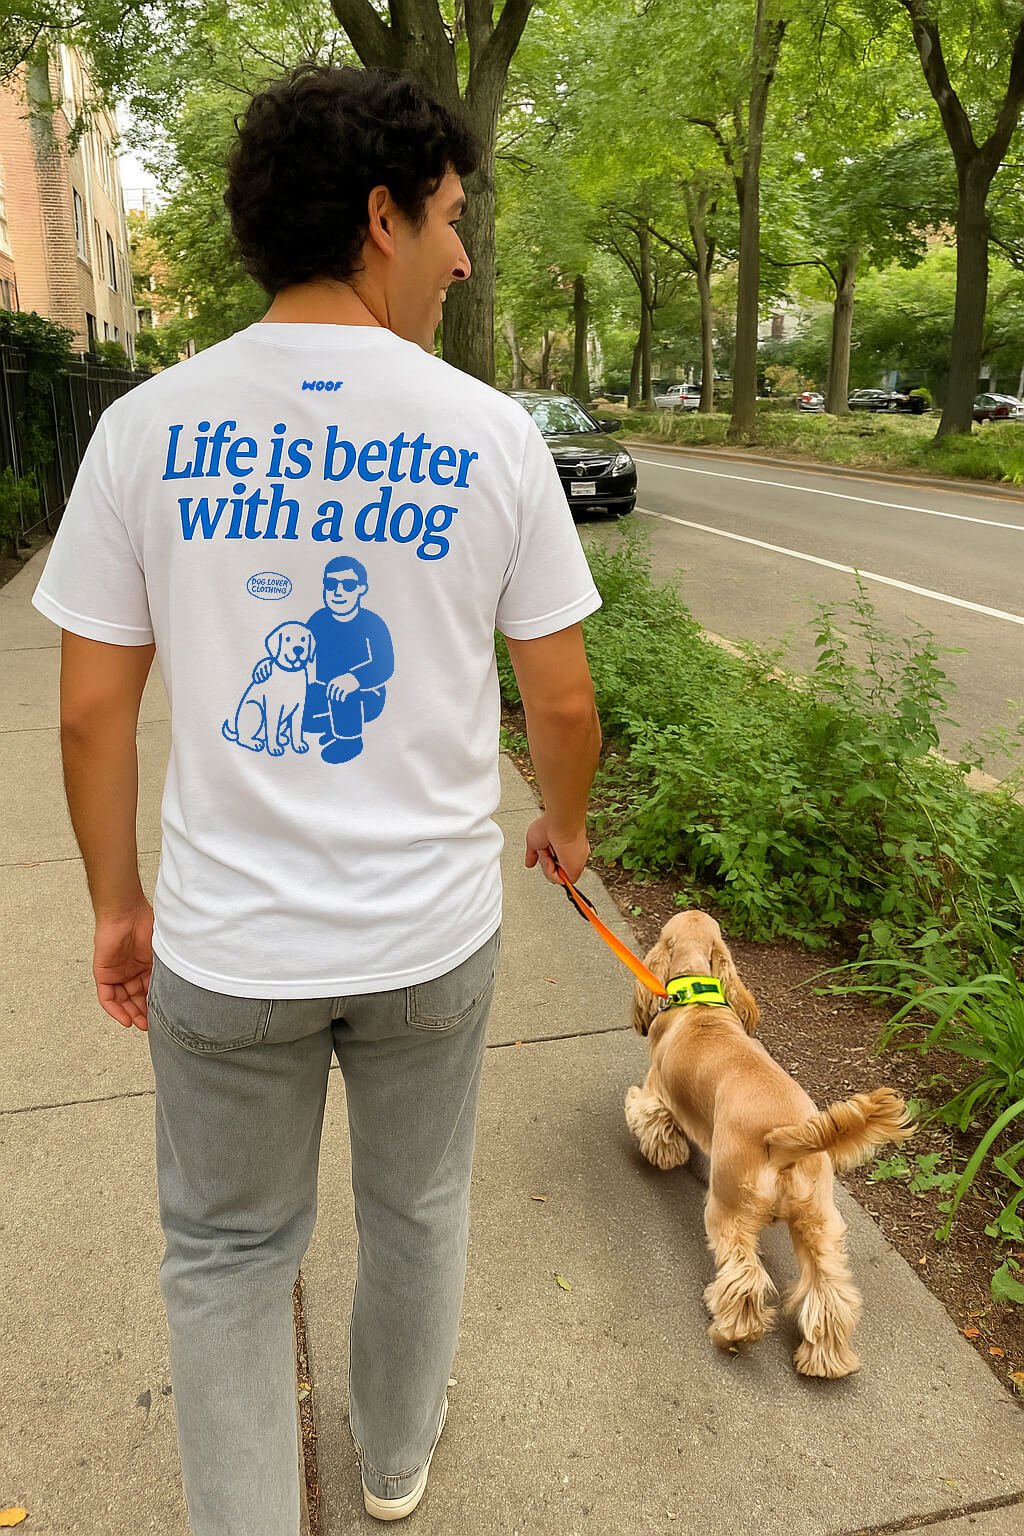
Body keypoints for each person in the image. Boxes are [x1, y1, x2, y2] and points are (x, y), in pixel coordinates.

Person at [32, 62, 601, 1535]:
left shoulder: (146, 429)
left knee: (226, 1254)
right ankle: (394, 1461)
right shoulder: (490, 435)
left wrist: (117, 907)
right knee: (415, 1212)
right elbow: (561, 705)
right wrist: (565, 826)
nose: (461, 256)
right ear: (381, 215)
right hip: (427, 938)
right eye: (452, 219)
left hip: (228, 947)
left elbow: (91, 713)